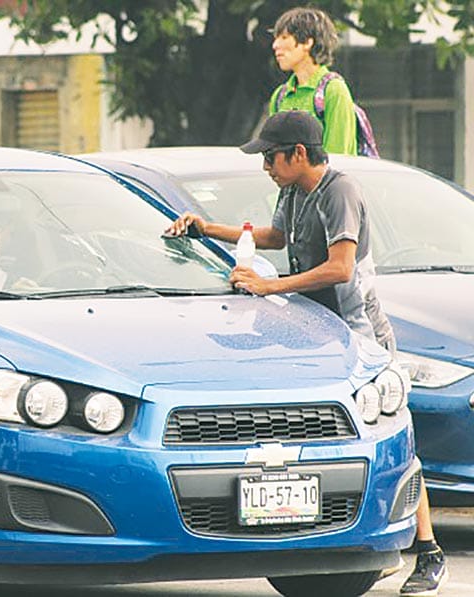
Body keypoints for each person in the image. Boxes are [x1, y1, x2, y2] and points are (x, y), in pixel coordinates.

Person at [164, 110, 448, 596]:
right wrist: (206, 229)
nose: (266, 167)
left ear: (299, 153)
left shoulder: (341, 191)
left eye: (271, 157)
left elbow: (339, 268)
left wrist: (271, 285)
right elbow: (275, 238)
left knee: (398, 443)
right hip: (316, 336)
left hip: (359, 337)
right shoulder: (292, 191)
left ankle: (428, 551)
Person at [270, 6, 357, 155]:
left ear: (307, 42)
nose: (275, 45)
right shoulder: (280, 96)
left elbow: (338, 158)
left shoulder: (333, 90)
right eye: (275, 38)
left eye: (284, 37)